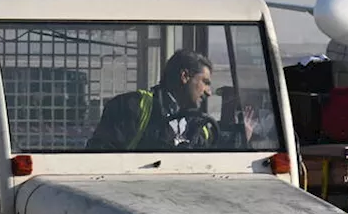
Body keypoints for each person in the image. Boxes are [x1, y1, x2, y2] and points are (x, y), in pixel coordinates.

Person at [86, 50, 255, 151]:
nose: (209, 92)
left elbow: (215, 149)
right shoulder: (134, 107)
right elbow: (100, 158)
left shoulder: (197, 125)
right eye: (205, 82)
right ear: (185, 76)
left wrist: (242, 136)